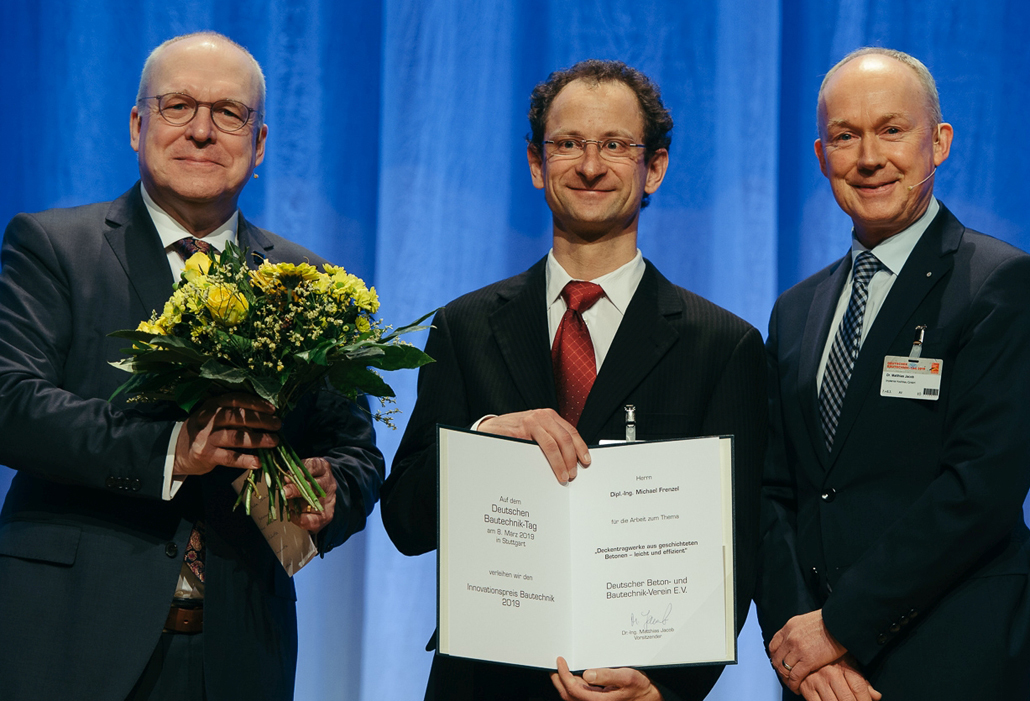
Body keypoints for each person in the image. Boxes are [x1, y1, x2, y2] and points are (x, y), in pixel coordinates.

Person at [0, 32, 384, 701]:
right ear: (137, 125)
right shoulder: (53, 248)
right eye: (178, 106)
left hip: (239, 650)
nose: (202, 131)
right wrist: (175, 448)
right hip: (70, 637)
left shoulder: (307, 282)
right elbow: (13, 404)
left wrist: (327, 489)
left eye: (229, 114)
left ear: (259, 144)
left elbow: (355, 452)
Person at [381, 59, 766, 701]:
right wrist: (482, 439)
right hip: (482, 683)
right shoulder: (464, 326)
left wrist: (666, 689)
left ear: (656, 168)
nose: (590, 166)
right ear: (537, 165)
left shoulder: (723, 345)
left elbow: (739, 553)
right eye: (568, 145)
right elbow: (404, 523)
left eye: (615, 145)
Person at [756, 47, 1030, 701]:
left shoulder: (1000, 283)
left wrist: (840, 625)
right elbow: (772, 493)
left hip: (957, 663)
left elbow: (978, 488)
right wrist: (803, 645)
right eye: (845, 136)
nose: (869, 156)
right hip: (821, 681)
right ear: (822, 157)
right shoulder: (795, 310)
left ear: (938, 142)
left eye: (891, 129)